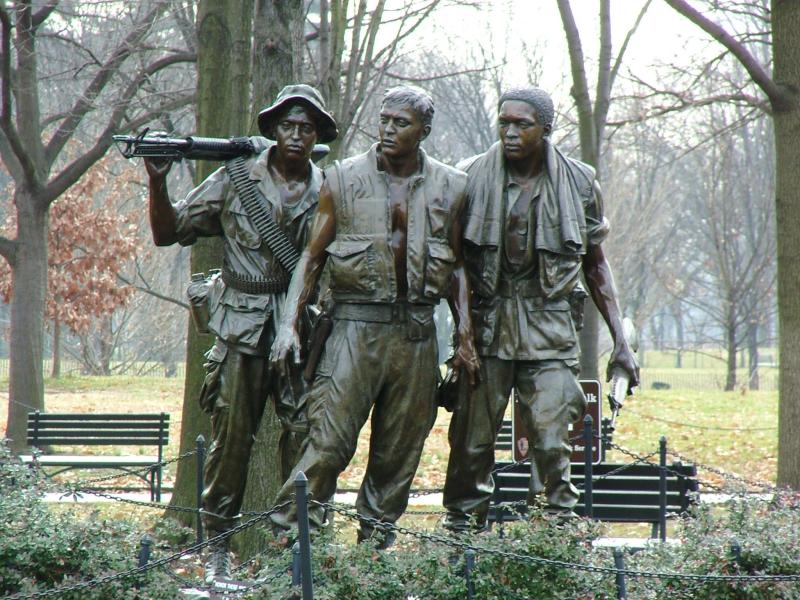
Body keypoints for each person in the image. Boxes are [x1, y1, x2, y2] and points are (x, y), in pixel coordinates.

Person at [269, 85, 479, 547]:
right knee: (326, 445)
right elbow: (311, 257)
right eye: (383, 119)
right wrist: (288, 324)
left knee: (398, 455)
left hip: (418, 334)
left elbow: (459, 266)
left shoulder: (453, 185)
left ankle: (373, 559)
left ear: (423, 130)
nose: (387, 129)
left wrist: (465, 338)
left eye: (400, 122)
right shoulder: (342, 178)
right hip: (353, 329)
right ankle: (291, 552)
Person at [142, 84, 337, 580]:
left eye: (306, 127)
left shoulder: (330, 187)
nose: (296, 134)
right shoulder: (235, 178)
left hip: (300, 328)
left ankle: (291, 548)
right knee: (231, 443)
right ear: (271, 130)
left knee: (306, 438)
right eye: (288, 125)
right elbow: (169, 232)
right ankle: (217, 553)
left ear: (317, 136)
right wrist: (157, 183)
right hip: (241, 324)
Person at [442, 87, 639, 532]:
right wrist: (464, 336)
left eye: (522, 125)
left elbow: (596, 265)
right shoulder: (467, 177)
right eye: (504, 123)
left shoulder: (580, 182)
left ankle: (556, 535)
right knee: (471, 445)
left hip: (549, 327)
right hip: (488, 326)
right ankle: (462, 540)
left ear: (546, 130)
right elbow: (453, 265)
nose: (510, 132)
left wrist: (621, 342)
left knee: (553, 438)